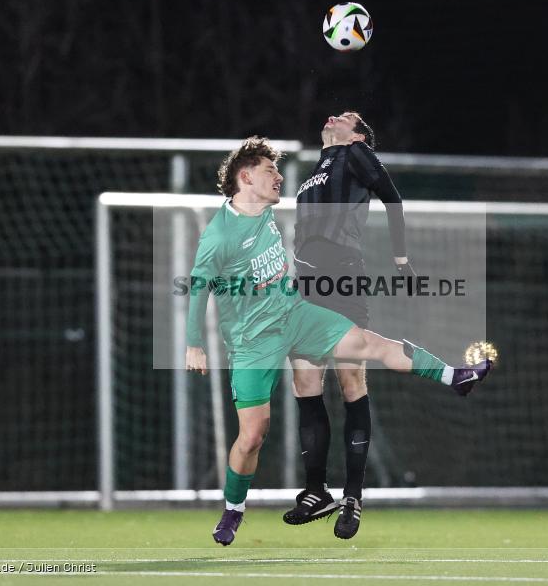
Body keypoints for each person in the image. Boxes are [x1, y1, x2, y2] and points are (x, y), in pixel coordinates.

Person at [185, 136, 492, 547]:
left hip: (295, 315)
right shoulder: (218, 236)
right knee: (254, 433)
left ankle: (456, 376)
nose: (278, 177)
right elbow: (197, 287)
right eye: (269, 171)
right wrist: (193, 344)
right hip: (252, 341)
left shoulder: (264, 211)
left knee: (369, 344)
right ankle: (233, 509)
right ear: (246, 177)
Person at [284, 111, 414, 539]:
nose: (335, 116)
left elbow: (392, 198)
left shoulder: (356, 153)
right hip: (307, 283)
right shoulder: (313, 173)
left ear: (358, 134)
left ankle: (353, 496)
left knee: (351, 381)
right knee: (305, 383)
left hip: (341, 275)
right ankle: (316, 490)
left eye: (348, 117)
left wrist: (400, 258)